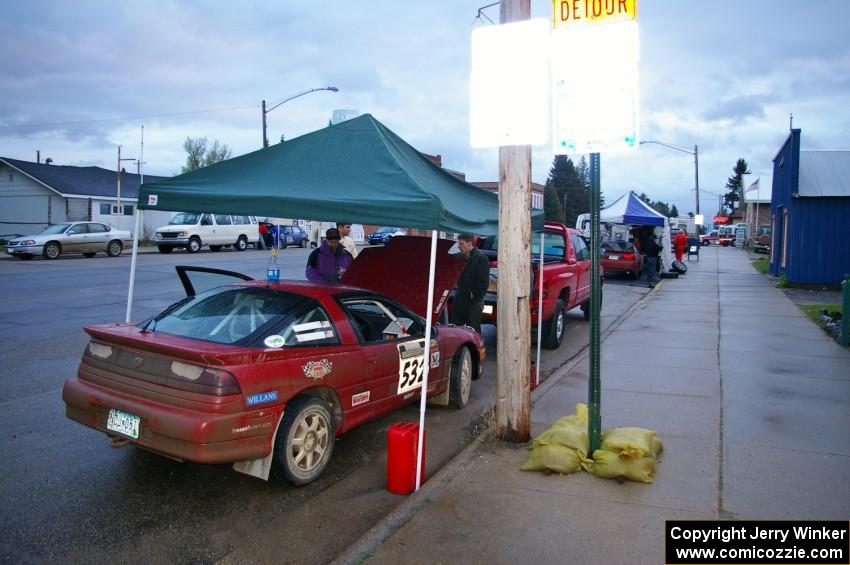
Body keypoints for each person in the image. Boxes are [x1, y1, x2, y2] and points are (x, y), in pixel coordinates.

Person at [452, 233, 490, 333]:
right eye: (458, 244)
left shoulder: (480, 258)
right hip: (461, 297)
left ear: (469, 243)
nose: (459, 246)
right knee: (456, 327)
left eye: (461, 243)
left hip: (473, 300)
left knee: (473, 329)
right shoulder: (461, 257)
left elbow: (483, 281)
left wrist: (476, 296)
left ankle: (476, 348)